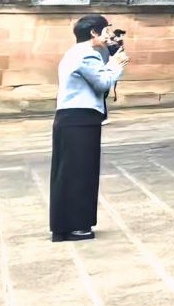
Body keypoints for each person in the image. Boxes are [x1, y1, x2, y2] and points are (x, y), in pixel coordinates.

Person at [51, 14, 127, 242]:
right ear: (94, 32)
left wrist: (109, 56)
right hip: (80, 118)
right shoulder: (85, 54)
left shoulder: (77, 52)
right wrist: (116, 64)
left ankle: (67, 226)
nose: (108, 35)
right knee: (80, 173)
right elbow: (102, 82)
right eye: (105, 31)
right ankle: (76, 227)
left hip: (73, 118)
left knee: (69, 173)